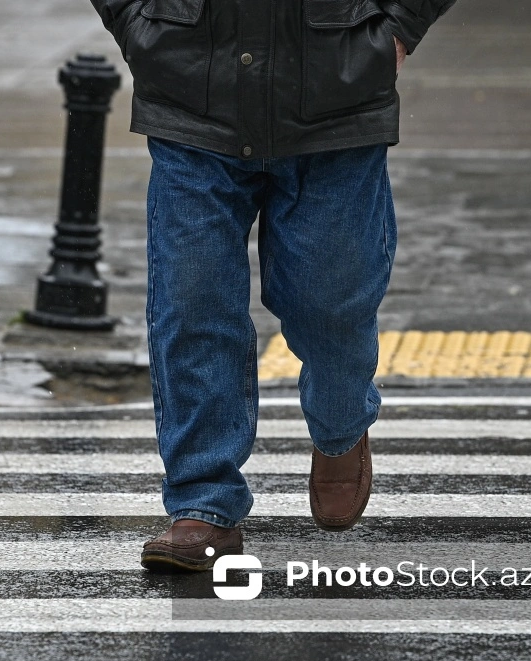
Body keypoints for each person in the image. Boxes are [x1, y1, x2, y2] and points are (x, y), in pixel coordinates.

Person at [89, 0, 457, 571]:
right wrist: (137, 24)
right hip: (193, 91)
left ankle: (340, 426)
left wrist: (396, 31)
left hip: (336, 94)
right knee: (192, 303)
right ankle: (202, 504)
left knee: (328, 303)